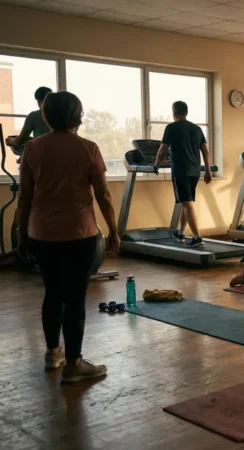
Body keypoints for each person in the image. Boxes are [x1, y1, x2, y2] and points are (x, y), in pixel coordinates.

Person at [16, 91, 120, 383]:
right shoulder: (88, 148)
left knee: (52, 293)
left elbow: (24, 197)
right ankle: (74, 365)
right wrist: (113, 229)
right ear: (79, 115)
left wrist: (22, 236)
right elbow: (103, 194)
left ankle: (53, 354)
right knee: (75, 299)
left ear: (46, 116)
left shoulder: (33, 148)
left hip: (41, 234)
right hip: (79, 234)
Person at [155, 101, 211, 248]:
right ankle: (180, 232)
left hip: (181, 170)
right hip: (195, 171)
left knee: (186, 203)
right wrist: (208, 171)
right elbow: (205, 151)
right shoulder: (197, 129)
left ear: (174, 112)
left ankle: (197, 237)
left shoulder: (171, 127)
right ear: (186, 112)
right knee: (186, 202)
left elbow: (162, 149)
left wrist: (156, 164)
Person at [5, 86, 52, 152]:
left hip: (41, 155)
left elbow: (20, 141)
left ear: (38, 101)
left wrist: (10, 141)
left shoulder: (34, 116)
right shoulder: (62, 115)